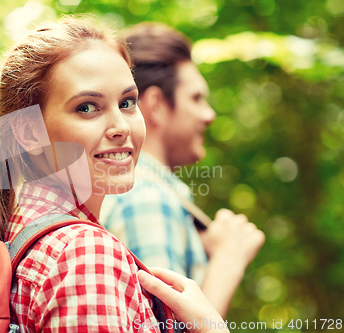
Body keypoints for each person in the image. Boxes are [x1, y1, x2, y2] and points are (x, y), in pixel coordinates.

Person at [0, 17, 230, 333]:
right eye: (87, 108)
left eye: (127, 102)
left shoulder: (16, 232)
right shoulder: (85, 253)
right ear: (28, 133)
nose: (120, 127)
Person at [100, 22, 265, 318]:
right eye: (196, 98)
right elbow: (167, 326)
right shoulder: (146, 198)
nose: (209, 115)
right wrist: (228, 262)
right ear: (156, 106)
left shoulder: (138, 191)